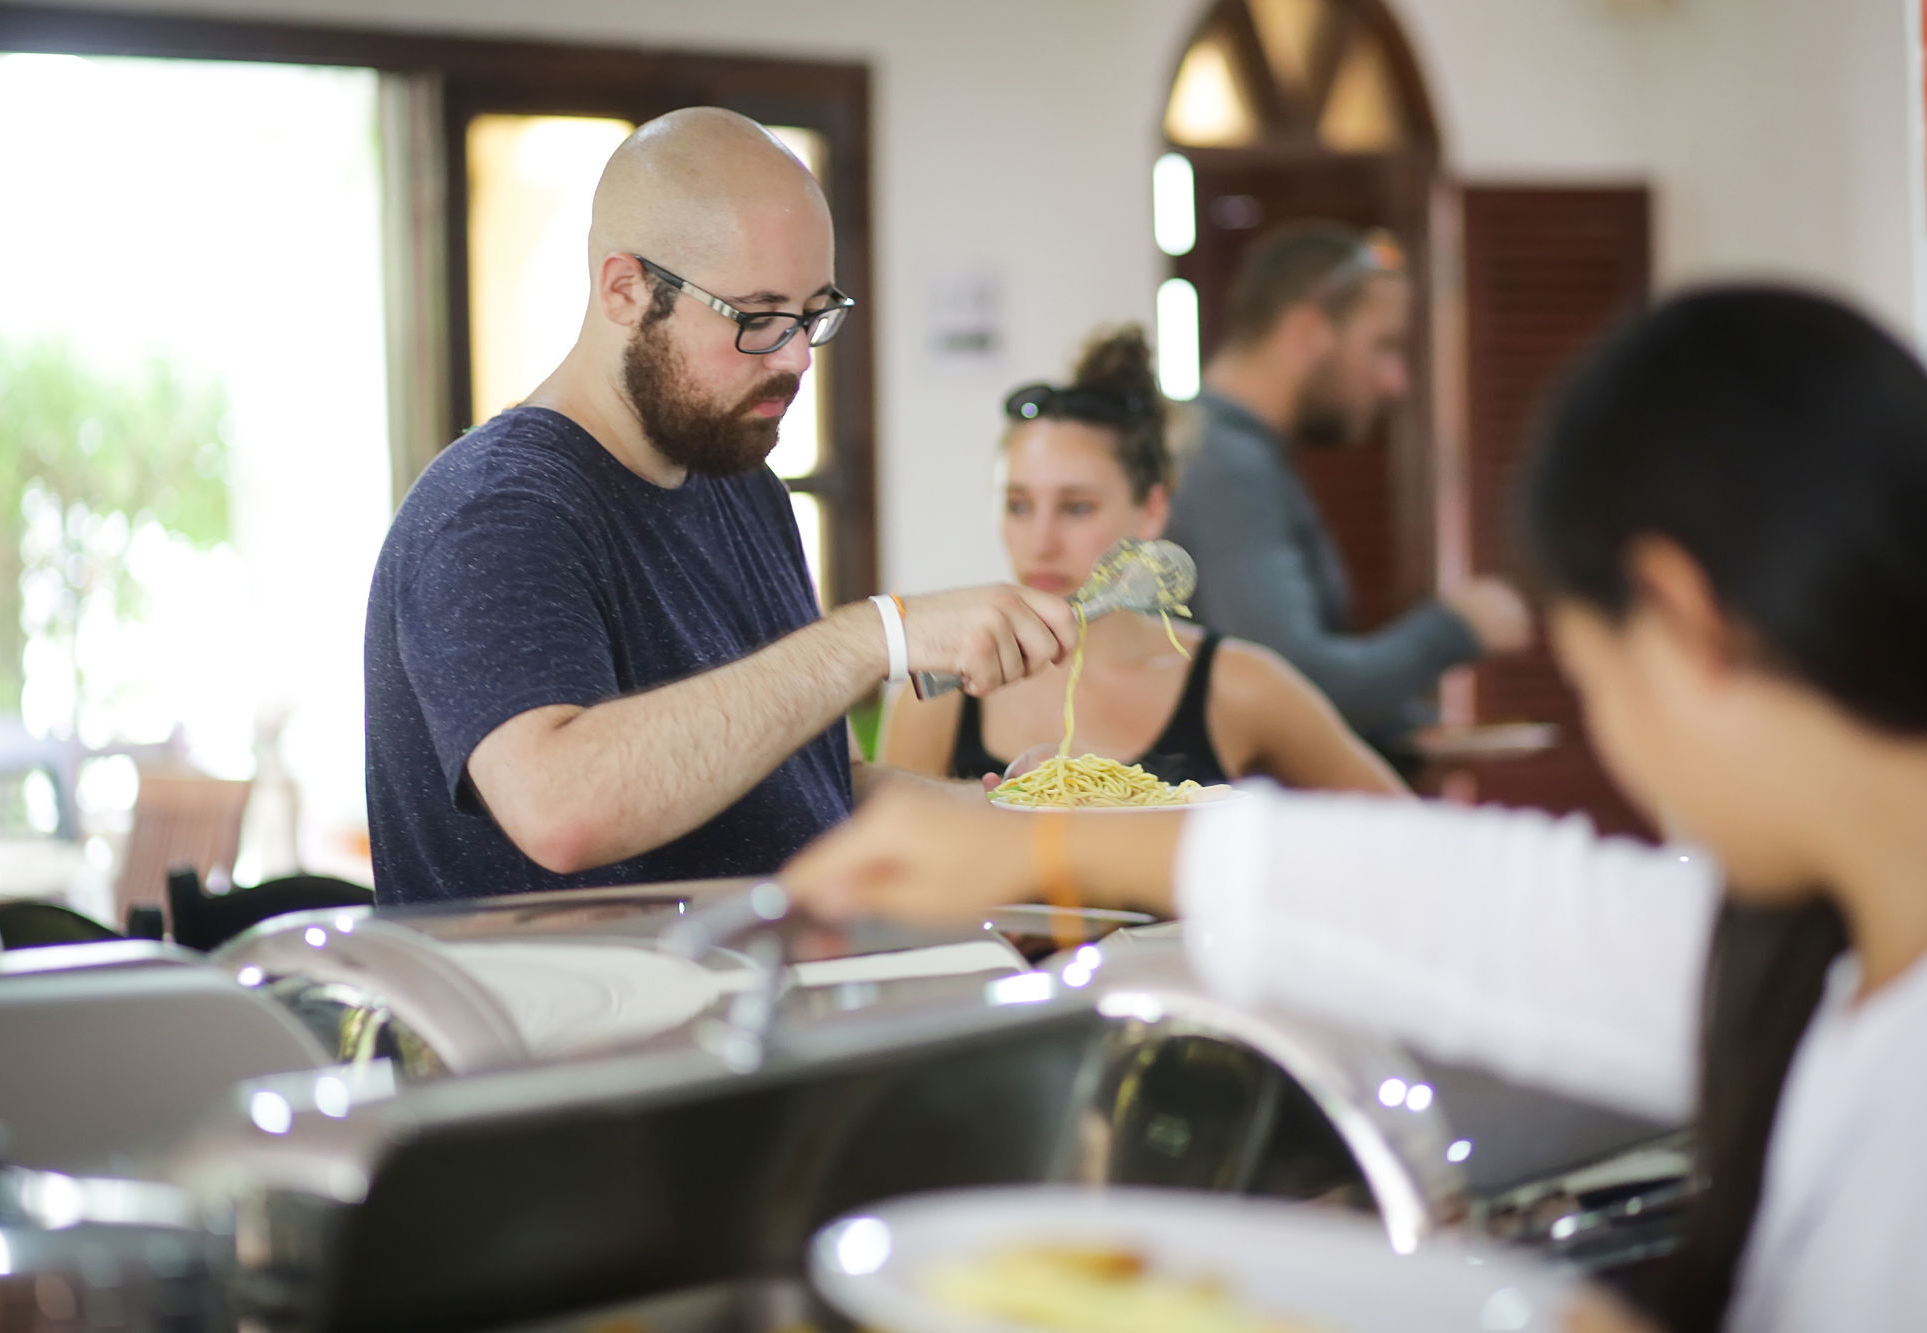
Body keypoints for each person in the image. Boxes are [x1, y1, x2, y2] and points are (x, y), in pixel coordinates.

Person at [782, 287, 1927, 1333]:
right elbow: (1506, 914)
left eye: (1594, 679)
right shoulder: (1822, 961)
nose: (1624, 749)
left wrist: (1043, 839)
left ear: (1685, 622)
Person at [363, 108, 1080, 904]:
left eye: (814, 314)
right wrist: (870, 637)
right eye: (759, 317)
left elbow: (821, 792)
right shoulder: (500, 509)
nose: (797, 357)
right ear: (626, 289)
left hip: (755, 1010)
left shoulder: (739, 480)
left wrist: (1019, 818)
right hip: (559, 1025)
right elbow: (559, 807)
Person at [882, 325, 1402, 797]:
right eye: (1019, 505)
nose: (1040, 541)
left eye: (1077, 507)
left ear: (1151, 511)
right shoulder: (948, 693)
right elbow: (881, 874)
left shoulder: (1238, 684)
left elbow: (1402, 830)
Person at [1165, 222, 1531, 763]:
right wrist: (1455, 627)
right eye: (1383, 346)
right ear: (1308, 330)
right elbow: (1294, 685)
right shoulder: (1226, 464)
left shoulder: (1234, 451)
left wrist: (1403, 732)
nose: (1396, 382)